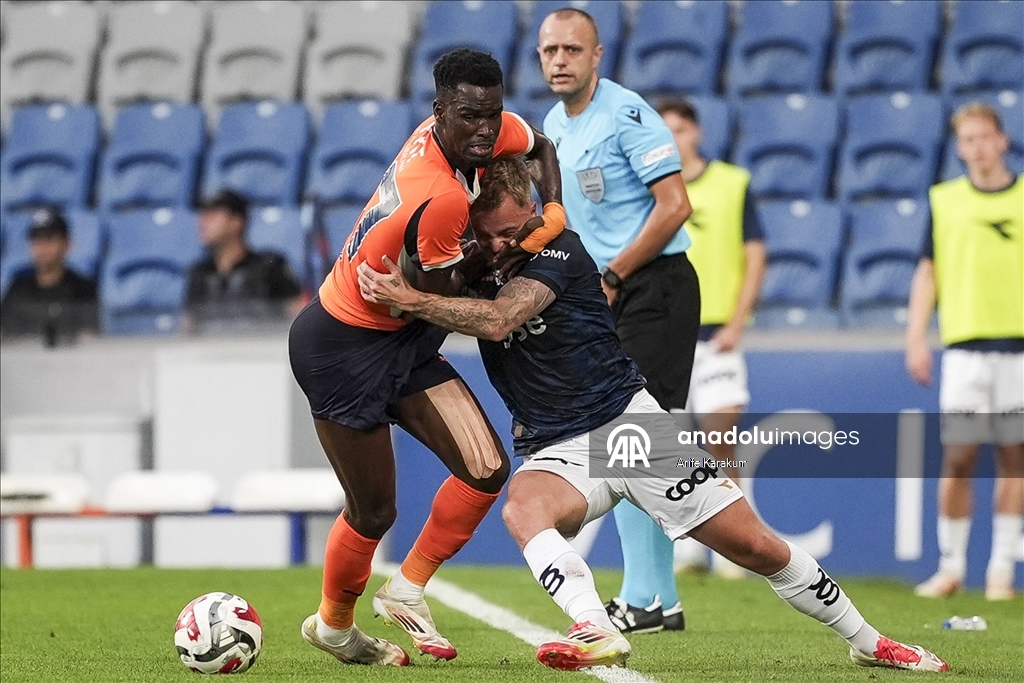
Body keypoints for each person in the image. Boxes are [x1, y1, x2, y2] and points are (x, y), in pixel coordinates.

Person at [357, 157, 949, 673]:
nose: (498, 246)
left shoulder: (561, 251)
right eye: (486, 236)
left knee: (757, 549)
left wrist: (411, 298)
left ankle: (870, 642)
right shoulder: (473, 261)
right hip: (554, 445)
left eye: (510, 232)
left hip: (628, 427)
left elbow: (499, 320)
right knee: (523, 508)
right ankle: (594, 628)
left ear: (534, 211)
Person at [287, 48, 565, 667]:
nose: (486, 131)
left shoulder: (474, 136)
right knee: (374, 511)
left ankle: (406, 589)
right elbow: (440, 302)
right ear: (439, 111)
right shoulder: (438, 196)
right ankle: (334, 627)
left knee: (486, 469)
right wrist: (501, 257)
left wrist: (551, 214)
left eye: (492, 115)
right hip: (342, 346)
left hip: (401, 334)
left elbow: (543, 148)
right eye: (470, 117)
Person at [537, 7, 697, 633]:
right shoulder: (553, 124)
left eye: (572, 50)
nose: (559, 60)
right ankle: (660, 600)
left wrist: (614, 275)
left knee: (629, 438)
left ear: (597, 55)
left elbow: (675, 206)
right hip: (608, 291)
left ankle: (642, 598)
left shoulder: (627, 114)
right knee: (631, 440)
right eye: (549, 50)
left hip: (653, 287)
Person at [625, 98, 766, 582]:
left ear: (696, 133)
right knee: (675, 446)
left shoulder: (732, 183)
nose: (673, 138)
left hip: (717, 333)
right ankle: (689, 547)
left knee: (720, 437)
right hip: (665, 332)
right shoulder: (645, 189)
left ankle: (735, 549)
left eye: (680, 129)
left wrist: (738, 323)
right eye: (664, 130)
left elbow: (755, 256)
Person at [906, 102, 1023, 602]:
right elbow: (928, 271)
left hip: (1018, 347)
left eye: (984, 137)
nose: (977, 148)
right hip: (964, 348)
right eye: (967, 139)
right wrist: (916, 336)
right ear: (959, 148)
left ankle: (1000, 569)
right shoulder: (945, 200)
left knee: (1015, 458)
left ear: (1002, 141)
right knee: (958, 457)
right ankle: (951, 565)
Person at [184, 188, 303, 331]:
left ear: (236, 222)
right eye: (202, 215)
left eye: (212, 215)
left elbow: (298, 314)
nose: (202, 222)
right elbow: (188, 326)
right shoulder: (199, 274)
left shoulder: (269, 267)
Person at [0, 208, 97, 344]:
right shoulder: (18, 288)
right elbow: (5, 333)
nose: (42, 247)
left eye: (49, 239)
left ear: (66, 244)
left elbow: (89, 338)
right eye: (36, 240)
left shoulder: (83, 289)